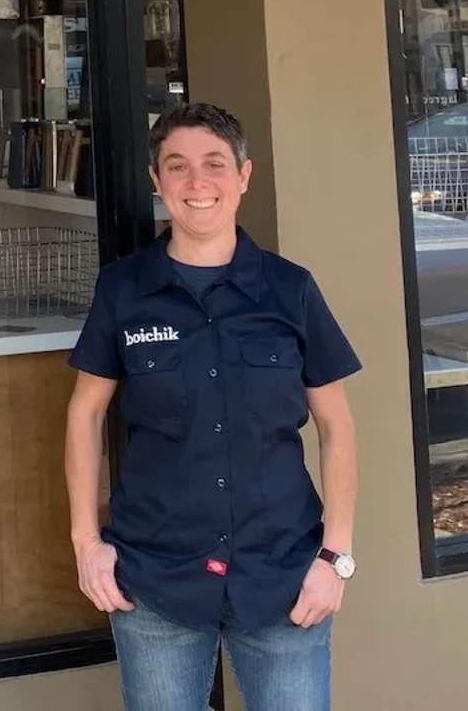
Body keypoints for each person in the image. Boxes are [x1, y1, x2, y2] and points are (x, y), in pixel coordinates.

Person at [65, 101, 360, 710]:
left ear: (244, 175)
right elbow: (84, 414)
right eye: (177, 166)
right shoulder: (123, 290)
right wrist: (86, 544)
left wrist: (335, 557)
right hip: (155, 579)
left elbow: (337, 427)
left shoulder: (290, 289)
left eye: (215, 164)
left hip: (284, 578)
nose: (197, 182)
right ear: (157, 181)